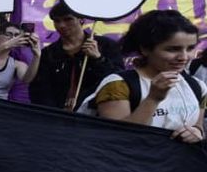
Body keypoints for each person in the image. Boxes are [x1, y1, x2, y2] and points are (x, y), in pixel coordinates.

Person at [78, 9, 204, 143]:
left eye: (190, 48)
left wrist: (197, 132)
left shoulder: (196, 86)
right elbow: (117, 139)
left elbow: (198, 127)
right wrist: (153, 99)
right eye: (173, 49)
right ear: (145, 49)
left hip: (178, 162)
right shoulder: (118, 85)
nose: (184, 57)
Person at [29, 1, 124, 110]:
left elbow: (118, 79)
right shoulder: (49, 53)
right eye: (57, 21)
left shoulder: (106, 45)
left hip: (96, 112)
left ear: (81, 19)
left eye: (68, 19)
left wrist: (98, 59)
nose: (62, 25)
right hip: (57, 116)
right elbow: (40, 89)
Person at [0, 22, 41, 101]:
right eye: (8, 34)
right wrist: (6, 45)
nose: (13, 38)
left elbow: (27, 79)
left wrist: (37, 56)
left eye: (17, 36)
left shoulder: (16, 64)